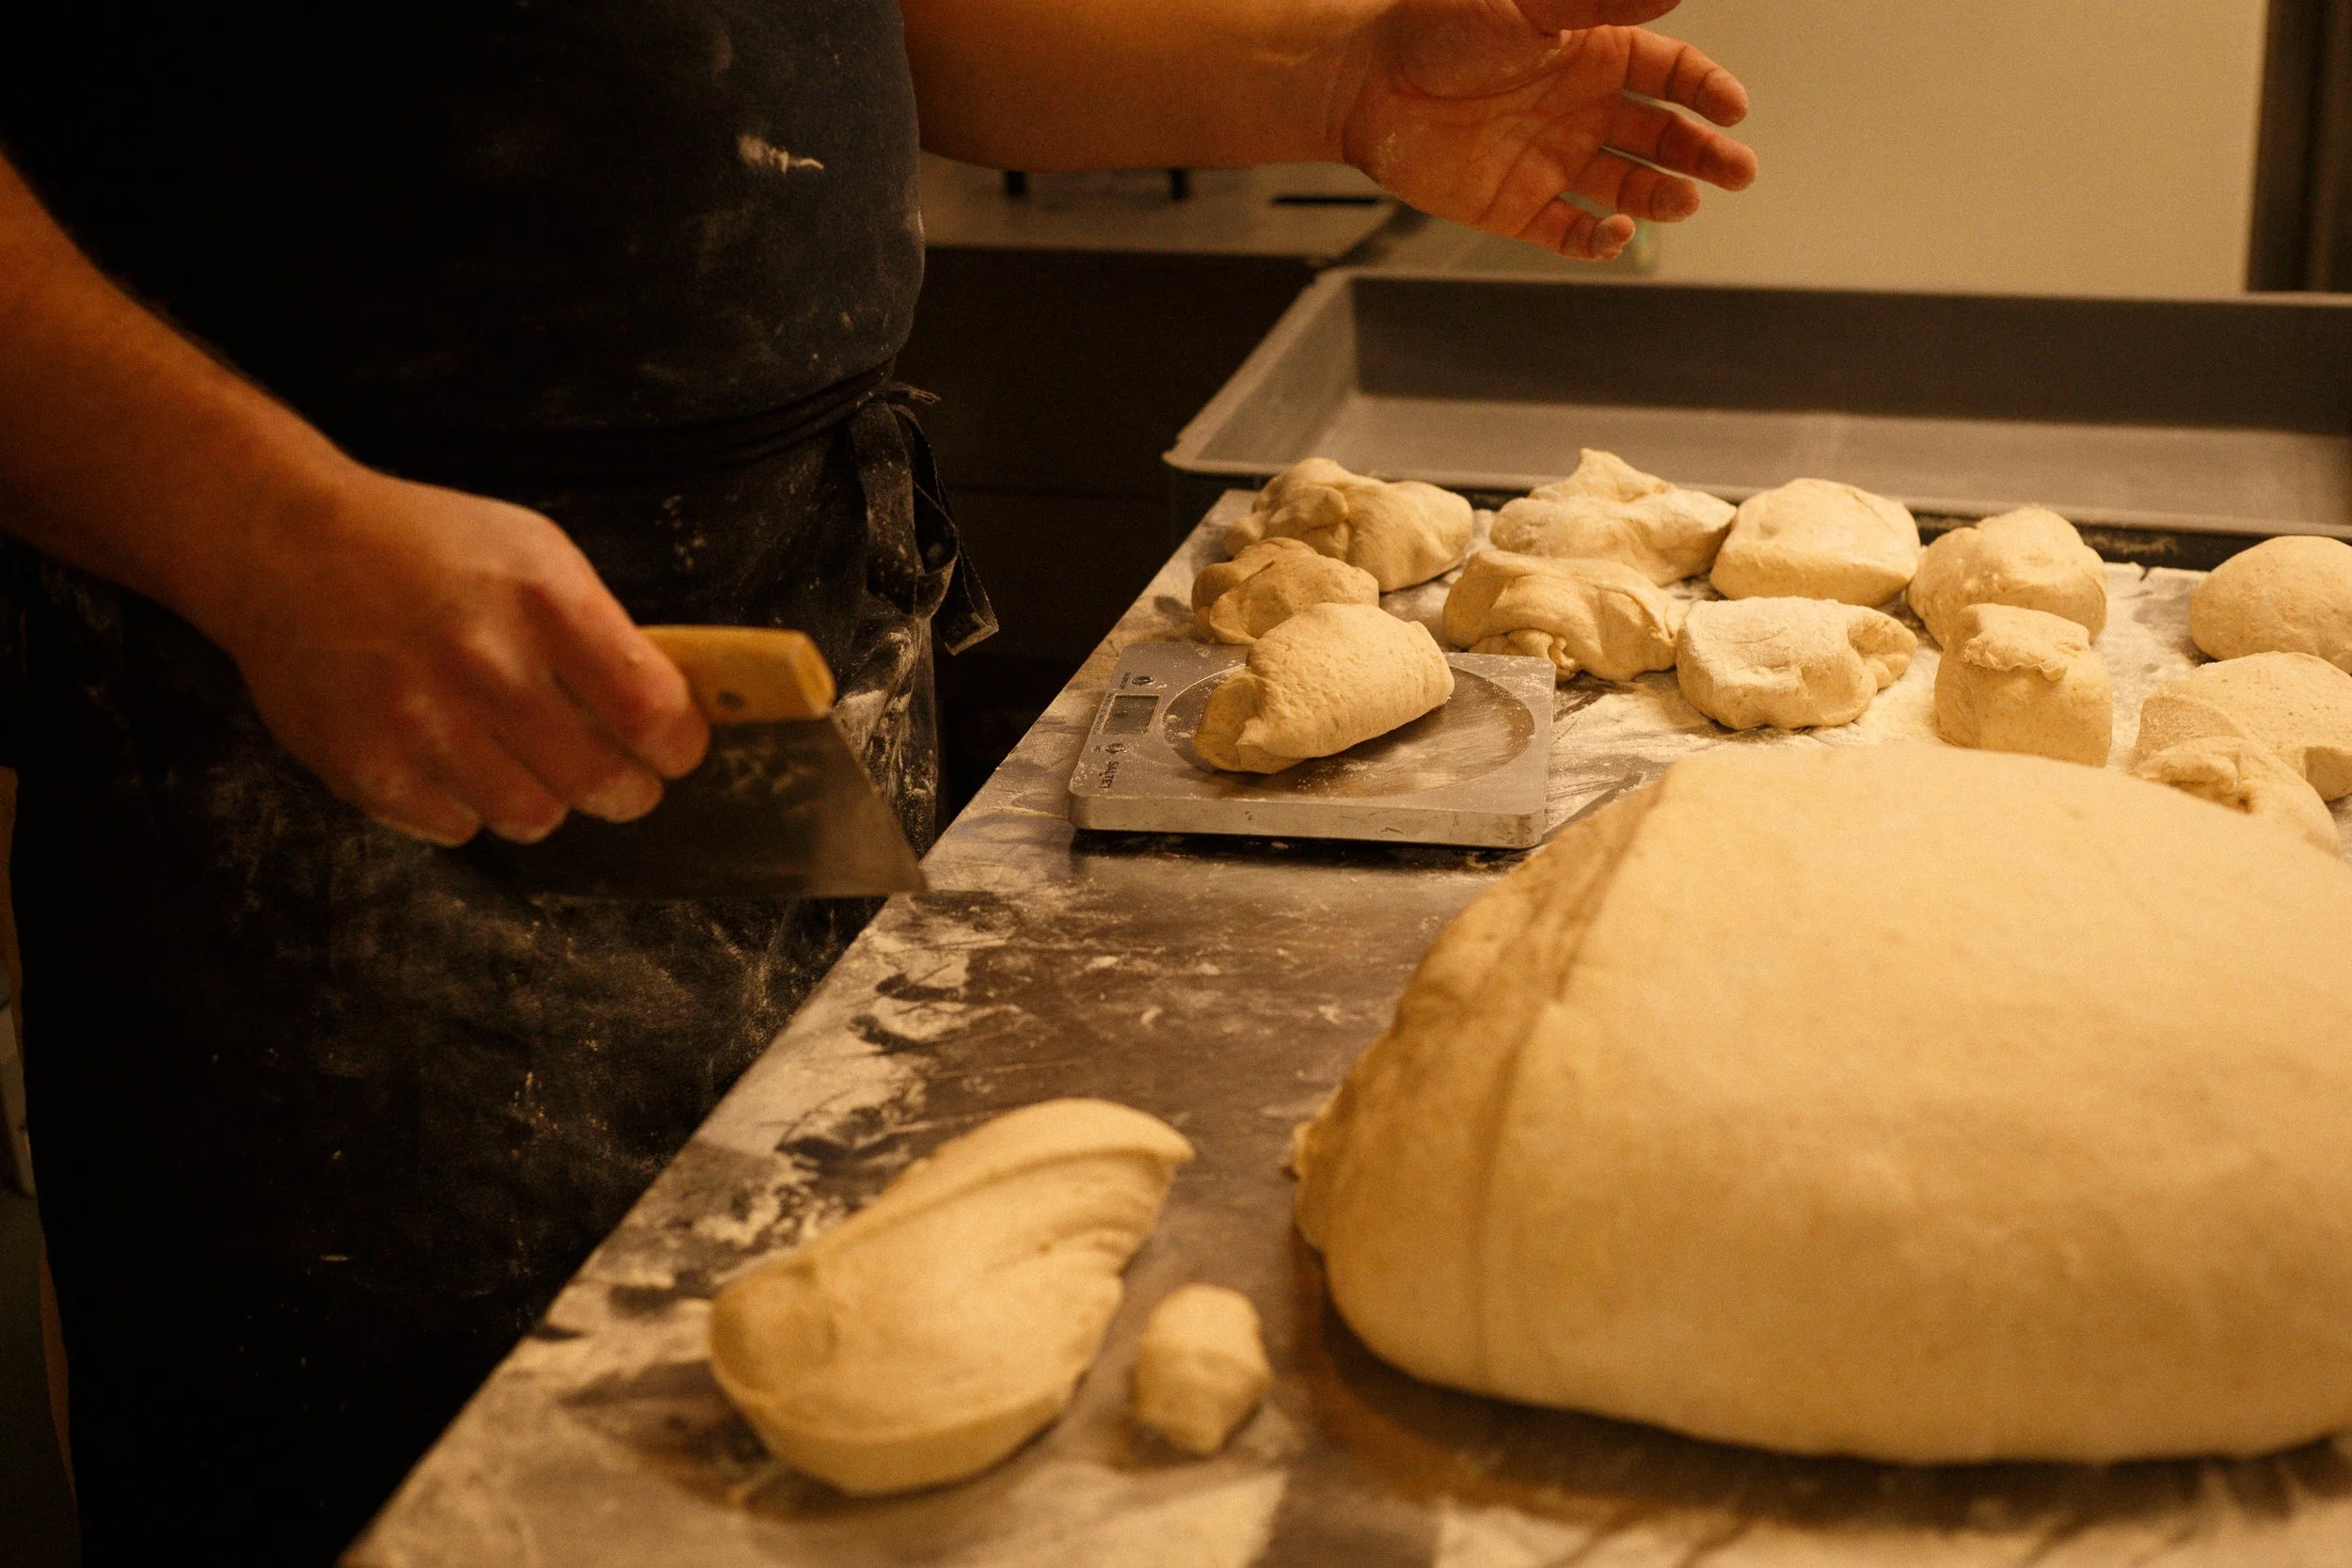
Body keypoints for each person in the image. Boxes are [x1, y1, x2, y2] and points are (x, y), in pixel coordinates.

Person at [0, 0, 1755, 1559]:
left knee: (820, 1394)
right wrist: (259, 533)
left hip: (790, 609)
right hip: (320, 671)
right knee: (440, 1486)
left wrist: (1338, 68)